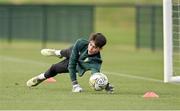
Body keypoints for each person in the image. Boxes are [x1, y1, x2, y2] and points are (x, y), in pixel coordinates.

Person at [26, 32, 114, 93]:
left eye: (94, 47)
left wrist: (105, 85)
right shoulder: (81, 43)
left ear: (100, 49)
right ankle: (57, 52)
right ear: (89, 42)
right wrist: (75, 85)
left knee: (54, 68)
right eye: (90, 44)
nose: (91, 48)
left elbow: (96, 75)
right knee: (68, 52)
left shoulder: (96, 61)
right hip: (73, 54)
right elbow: (71, 64)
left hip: (78, 65)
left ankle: (40, 78)